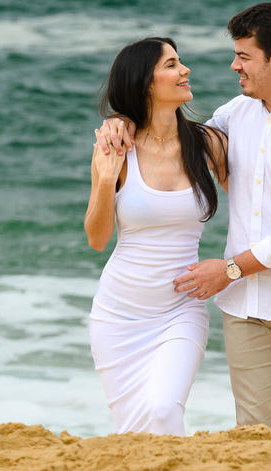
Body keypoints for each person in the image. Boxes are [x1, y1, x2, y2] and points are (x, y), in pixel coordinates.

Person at [98, 2, 271, 433]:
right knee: (253, 439)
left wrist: (230, 269)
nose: (233, 65)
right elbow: (167, 132)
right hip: (245, 310)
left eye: (243, 56)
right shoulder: (233, 116)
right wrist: (119, 119)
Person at [85, 37, 229, 436]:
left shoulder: (208, 144)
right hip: (117, 315)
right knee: (132, 433)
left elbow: (261, 197)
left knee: (164, 412)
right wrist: (107, 179)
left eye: (180, 63)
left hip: (180, 310)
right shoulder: (117, 145)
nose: (185, 71)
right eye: (172, 65)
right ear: (145, 83)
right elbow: (98, 239)